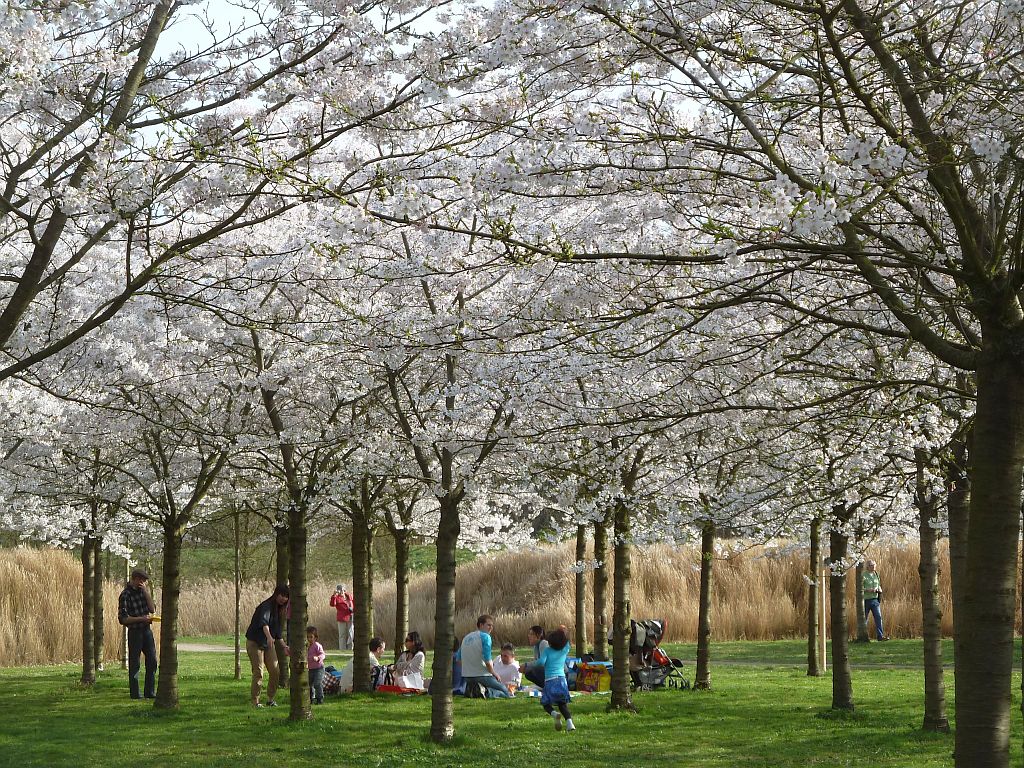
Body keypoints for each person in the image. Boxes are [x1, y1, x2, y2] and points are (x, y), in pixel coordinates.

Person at [245, 584, 290, 707]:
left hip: (268, 644)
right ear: (276, 594)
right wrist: (269, 637)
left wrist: (284, 646)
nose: (283, 598)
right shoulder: (266, 606)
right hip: (255, 642)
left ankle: (270, 699)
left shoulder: (280, 610)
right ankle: (255, 701)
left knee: (275, 670)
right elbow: (264, 623)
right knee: (259, 671)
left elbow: (278, 633)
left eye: (286, 597)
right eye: (282, 595)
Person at [117, 568, 158, 700]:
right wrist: (141, 618)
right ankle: (135, 694)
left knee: (152, 661)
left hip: (146, 631)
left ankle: (149, 692)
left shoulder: (143, 592)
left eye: (144, 581)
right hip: (135, 632)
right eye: (141, 580)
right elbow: (123, 619)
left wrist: (146, 592)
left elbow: (152, 609)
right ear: (134, 579)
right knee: (135, 663)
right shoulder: (125, 595)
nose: (142, 582)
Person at [460, 614, 511, 698]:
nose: (491, 628)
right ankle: (487, 692)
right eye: (489, 625)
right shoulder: (486, 637)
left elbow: (459, 660)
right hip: (482, 675)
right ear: (481, 625)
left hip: (467, 677)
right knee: (505, 692)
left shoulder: (466, 638)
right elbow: (487, 661)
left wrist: (469, 668)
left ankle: (476, 690)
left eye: (492, 626)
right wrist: (494, 673)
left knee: (491, 685)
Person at [536, 627, 575, 732]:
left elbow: (540, 662)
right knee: (563, 704)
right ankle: (570, 723)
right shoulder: (564, 650)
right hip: (562, 680)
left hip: (550, 681)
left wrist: (535, 663)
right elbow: (568, 643)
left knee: (545, 703)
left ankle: (554, 714)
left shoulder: (547, 650)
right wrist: (564, 633)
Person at [863, 560, 890, 641]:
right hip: (866, 600)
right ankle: (864, 636)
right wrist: (869, 590)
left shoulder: (876, 574)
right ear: (867, 566)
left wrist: (879, 589)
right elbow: (860, 588)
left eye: (874, 565)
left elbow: (878, 585)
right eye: (871, 565)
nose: (873, 566)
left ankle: (880, 636)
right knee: (865, 619)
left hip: (875, 600)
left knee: (878, 618)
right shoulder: (863, 575)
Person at [330, 584, 354, 650]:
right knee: (342, 635)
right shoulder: (336, 598)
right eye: (340, 590)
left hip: (350, 617)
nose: (342, 592)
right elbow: (332, 604)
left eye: (343, 590)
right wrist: (334, 595)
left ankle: (350, 649)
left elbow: (354, 604)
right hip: (342, 618)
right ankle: (342, 649)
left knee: (351, 634)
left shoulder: (349, 596)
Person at [307, 626, 327, 704]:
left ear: (315, 637)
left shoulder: (317, 645)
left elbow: (323, 654)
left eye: (311, 637)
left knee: (317, 683)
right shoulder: (307, 646)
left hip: (319, 668)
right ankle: (311, 698)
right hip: (310, 669)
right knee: (309, 684)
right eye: (308, 637)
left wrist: (318, 658)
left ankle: (320, 698)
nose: (309, 639)